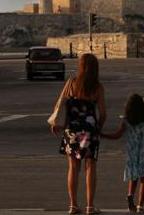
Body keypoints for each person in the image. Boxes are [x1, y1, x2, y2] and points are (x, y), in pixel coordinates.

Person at [51, 54, 106, 215]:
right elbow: (103, 113)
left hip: (72, 130)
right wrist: (98, 128)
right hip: (90, 130)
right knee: (90, 167)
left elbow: (59, 104)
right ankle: (90, 206)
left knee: (73, 168)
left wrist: (56, 123)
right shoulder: (98, 87)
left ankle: (73, 205)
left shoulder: (72, 83)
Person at [100, 93, 144, 213]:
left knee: (133, 177)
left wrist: (104, 135)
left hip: (132, 153)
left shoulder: (126, 121)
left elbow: (117, 135)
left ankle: (130, 195)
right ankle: (140, 205)